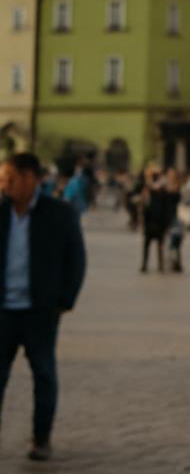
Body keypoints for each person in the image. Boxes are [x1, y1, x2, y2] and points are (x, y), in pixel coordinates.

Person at [0, 153, 87, 462]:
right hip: (3, 312)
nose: (4, 184)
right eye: (2, 178)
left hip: (40, 312)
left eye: (9, 178)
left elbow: (76, 260)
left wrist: (63, 302)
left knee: (44, 375)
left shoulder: (59, 214)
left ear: (30, 178)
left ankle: (41, 439)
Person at [139, 169, 178, 274]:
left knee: (151, 245)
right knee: (157, 245)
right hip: (156, 222)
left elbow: (144, 207)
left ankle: (148, 265)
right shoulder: (157, 191)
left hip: (154, 222)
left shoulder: (153, 191)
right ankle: (155, 265)